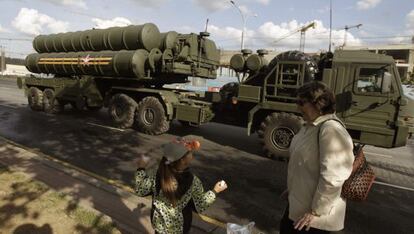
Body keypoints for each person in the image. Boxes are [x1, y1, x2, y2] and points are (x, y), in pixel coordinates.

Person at [280, 81, 354, 234]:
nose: (297, 107)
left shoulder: (330, 129)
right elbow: (305, 163)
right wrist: (292, 189)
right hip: (299, 208)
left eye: (301, 102)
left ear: (319, 103)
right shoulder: (310, 126)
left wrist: (316, 212)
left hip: (316, 220)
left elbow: (334, 177)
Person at [135, 138, 228, 234]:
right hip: (180, 228)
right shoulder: (193, 181)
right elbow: (200, 205)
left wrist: (141, 168)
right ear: (183, 160)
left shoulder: (156, 175)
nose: (192, 153)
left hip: (159, 226)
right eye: (189, 152)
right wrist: (215, 191)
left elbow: (140, 190)